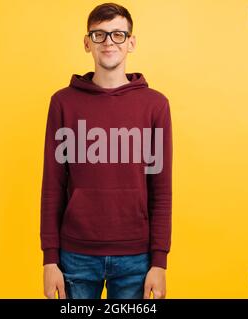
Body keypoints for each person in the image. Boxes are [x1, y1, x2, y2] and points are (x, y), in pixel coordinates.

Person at [41, 2, 172, 299]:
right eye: (99, 35)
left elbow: (161, 188)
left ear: (131, 42)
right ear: (87, 43)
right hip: (74, 254)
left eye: (117, 34)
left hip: (136, 258)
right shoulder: (63, 103)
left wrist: (159, 262)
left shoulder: (155, 105)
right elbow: (52, 185)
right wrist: (50, 258)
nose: (109, 42)